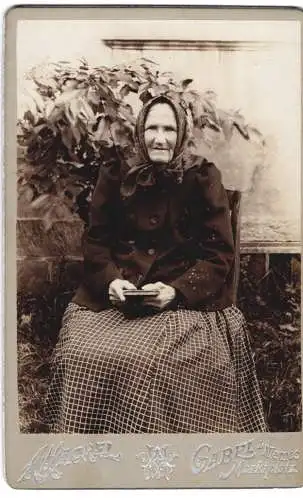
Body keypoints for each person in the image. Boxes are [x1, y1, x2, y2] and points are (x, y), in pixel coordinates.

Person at [44, 94, 267, 433]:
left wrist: (175, 292)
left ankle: (158, 457)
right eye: (151, 128)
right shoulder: (117, 173)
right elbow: (96, 241)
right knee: (80, 355)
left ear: (181, 134)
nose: (159, 138)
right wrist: (110, 282)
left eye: (168, 129)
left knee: (150, 362)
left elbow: (219, 254)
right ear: (139, 130)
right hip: (117, 298)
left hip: (181, 302)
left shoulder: (202, 176)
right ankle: (88, 457)